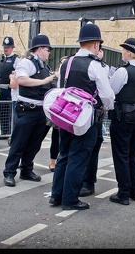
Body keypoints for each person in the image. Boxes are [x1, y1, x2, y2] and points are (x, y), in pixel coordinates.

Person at [50, 22, 115, 210]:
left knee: (64, 155)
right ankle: (70, 200)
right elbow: (107, 95)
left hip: (66, 115)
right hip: (86, 119)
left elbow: (61, 89)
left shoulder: (67, 62)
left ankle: (56, 195)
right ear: (96, 44)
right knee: (78, 158)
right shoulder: (96, 66)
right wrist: (107, 108)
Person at [3, 34, 57, 186]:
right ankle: (9, 172)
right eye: (47, 50)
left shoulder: (44, 66)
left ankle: (26, 169)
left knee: (34, 144)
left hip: (40, 111)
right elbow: (21, 80)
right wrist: (45, 80)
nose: (49, 53)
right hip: (27, 110)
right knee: (18, 143)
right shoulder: (26, 63)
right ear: (40, 49)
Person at [108, 37, 135, 205]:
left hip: (124, 115)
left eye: (124, 49)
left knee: (121, 154)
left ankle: (123, 193)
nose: (122, 52)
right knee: (132, 153)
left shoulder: (122, 71)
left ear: (129, 52)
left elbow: (111, 93)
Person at [79, 45, 107, 197]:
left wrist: (106, 107)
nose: (99, 52)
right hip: (87, 112)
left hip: (94, 114)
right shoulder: (90, 64)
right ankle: (83, 182)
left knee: (90, 150)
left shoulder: (102, 67)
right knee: (83, 150)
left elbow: (107, 92)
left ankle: (88, 182)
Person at [43, 55, 68, 172]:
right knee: (44, 134)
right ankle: (52, 161)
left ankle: (55, 161)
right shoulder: (54, 76)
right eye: (61, 62)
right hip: (52, 109)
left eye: (65, 63)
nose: (63, 64)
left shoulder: (68, 76)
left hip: (63, 110)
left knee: (58, 136)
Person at [0, 36, 21, 139]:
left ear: (12, 48)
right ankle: (4, 132)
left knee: (11, 112)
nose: (6, 49)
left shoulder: (16, 59)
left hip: (11, 89)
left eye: (8, 47)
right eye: (5, 47)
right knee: (2, 111)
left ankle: (11, 132)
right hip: (2, 88)